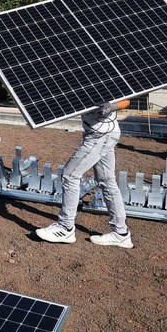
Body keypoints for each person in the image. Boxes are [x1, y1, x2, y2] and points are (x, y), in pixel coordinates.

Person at [36, 99, 133, 248]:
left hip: (100, 136)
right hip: (104, 133)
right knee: (107, 182)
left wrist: (112, 107)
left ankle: (65, 228)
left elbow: (127, 100)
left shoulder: (105, 79)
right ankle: (121, 234)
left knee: (70, 175)